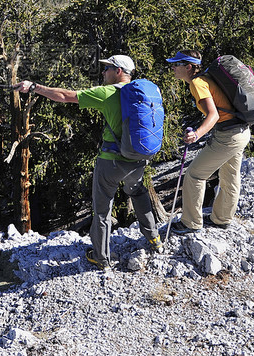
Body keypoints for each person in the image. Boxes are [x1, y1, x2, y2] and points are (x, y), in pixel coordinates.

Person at [14, 54, 164, 270]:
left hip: (111, 162)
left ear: (118, 71)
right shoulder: (143, 95)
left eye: (107, 69)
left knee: (102, 209)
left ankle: (101, 257)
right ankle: (153, 239)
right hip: (138, 160)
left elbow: (65, 96)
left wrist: (34, 87)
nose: (103, 72)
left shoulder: (108, 93)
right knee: (138, 192)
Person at [166, 50, 251, 234]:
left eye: (176, 64)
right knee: (230, 176)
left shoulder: (197, 83)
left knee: (195, 175)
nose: (172, 68)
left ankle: (190, 223)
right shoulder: (206, 78)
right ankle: (222, 219)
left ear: (188, 67)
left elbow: (214, 115)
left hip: (228, 137)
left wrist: (196, 134)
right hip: (241, 132)